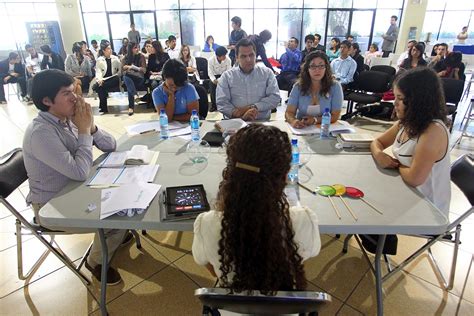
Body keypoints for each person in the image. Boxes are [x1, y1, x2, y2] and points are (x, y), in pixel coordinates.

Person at [23, 69, 129, 285]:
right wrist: (82, 130)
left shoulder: (66, 117)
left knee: (129, 194)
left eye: (74, 91)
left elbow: (111, 146)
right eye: (66, 93)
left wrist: (91, 125)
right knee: (121, 215)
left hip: (75, 189)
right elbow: (80, 172)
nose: (76, 98)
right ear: (47, 101)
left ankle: (114, 233)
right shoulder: (41, 133)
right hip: (51, 205)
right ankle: (96, 261)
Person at [192, 124, 321, 293]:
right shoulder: (304, 220)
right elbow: (299, 260)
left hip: (230, 309)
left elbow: (212, 268)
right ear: (285, 175)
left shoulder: (206, 224)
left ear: (231, 172)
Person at [371, 67, 450, 216]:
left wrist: (395, 164)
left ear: (418, 100)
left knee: (370, 210)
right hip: (406, 191)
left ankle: (383, 238)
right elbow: (377, 143)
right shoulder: (408, 122)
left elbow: (415, 178)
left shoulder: (433, 131)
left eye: (400, 99)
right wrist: (379, 154)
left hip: (427, 209)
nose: (395, 103)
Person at [217, 38, 280, 121]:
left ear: (255, 55)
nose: (248, 60)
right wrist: (237, 114)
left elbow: (275, 98)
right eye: (243, 56)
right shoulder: (227, 76)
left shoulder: (267, 74)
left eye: (251, 55)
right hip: (234, 122)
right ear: (237, 58)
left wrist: (253, 107)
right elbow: (222, 103)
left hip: (261, 122)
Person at [285, 51, 343, 128]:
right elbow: (289, 112)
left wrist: (315, 120)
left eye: (321, 66)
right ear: (307, 69)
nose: (317, 70)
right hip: (302, 128)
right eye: (313, 66)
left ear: (326, 68)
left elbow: (335, 116)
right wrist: (293, 121)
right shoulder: (298, 87)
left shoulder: (335, 86)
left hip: (325, 129)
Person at [93, 41, 122, 114]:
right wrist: (99, 80)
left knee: (100, 85)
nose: (110, 50)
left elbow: (120, 71)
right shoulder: (100, 60)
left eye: (110, 48)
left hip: (114, 79)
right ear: (104, 51)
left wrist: (116, 75)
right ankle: (104, 108)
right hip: (104, 80)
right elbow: (98, 72)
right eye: (108, 49)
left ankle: (102, 107)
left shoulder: (115, 58)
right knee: (100, 87)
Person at [121, 42, 146, 116]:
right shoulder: (125, 58)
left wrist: (132, 67)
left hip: (139, 78)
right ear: (130, 49)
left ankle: (131, 107)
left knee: (127, 76)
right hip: (130, 79)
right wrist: (126, 68)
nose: (137, 49)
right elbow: (122, 70)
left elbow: (144, 70)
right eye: (135, 48)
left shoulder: (141, 56)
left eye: (138, 47)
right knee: (127, 79)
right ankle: (134, 96)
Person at [208, 46, 231, 112]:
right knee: (212, 85)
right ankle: (214, 106)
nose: (225, 57)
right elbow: (210, 72)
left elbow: (228, 71)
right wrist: (214, 80)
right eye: (223, 56)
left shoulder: (228, 60)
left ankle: (225, 105)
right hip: (214, 77)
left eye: (225, 55)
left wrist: (221, 79)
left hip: (224, 76)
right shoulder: (211, 60)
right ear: (218, 56)